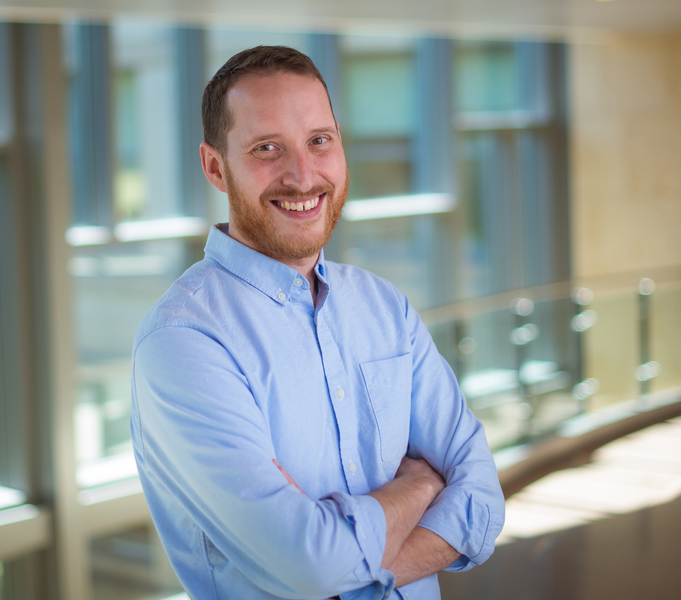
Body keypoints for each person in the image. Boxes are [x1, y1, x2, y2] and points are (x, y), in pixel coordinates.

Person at [130, 45, 505, 600]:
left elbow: (483, 504)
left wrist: (341, 566)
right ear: (215, 167)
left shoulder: (385, 309)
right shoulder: (184, 342)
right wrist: (424, 483)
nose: (303, 176)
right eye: (266, 148)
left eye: (319, 141)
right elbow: (308, 567)